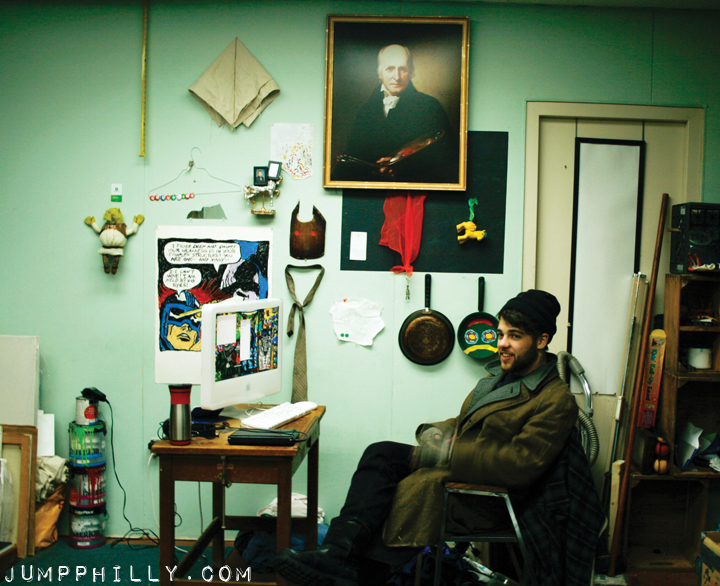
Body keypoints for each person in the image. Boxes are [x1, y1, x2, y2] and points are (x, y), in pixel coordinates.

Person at [273, 290, 602, 586]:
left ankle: (358, 569)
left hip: (485, 497)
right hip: (461, 469)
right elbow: (465, 422)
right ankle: (338, 554)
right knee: (381, 453)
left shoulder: (555, 399)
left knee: (409, 488)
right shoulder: (499, 378)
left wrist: (447, 453)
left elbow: (519, 466)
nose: (502, 343)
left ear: (542, 341)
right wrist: (436, 432)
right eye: (500, 334)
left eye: (514, 336)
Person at [332, 44, 459, 184]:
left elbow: (448, 157)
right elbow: (352, 156)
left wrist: (403, 168)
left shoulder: (430, 106)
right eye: (390, 69)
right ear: (380, 72)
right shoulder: (365, 109)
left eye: (403, 69)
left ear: (411, 72)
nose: (397, 77)